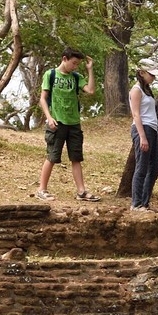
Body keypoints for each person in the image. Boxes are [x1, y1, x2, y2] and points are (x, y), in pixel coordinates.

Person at [35, 48, 98, 201]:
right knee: (52, 156)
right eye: (73, 63)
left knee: (76, 157)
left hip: (74, 123)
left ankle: (81, 191)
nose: (75, 66)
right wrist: (49, 118)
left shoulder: (76, 77)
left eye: (78, 64)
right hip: (57, 122)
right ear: (64, 59)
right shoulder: (51, 75)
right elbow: (43, 98)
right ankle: (41, 189)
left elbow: (90, 90)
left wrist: (90, 70)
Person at [128, 66, 158, 212]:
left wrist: (157, 133)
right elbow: (136, 114)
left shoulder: (147, 90)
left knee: (154, 168)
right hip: (143, 129)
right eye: (151, 74)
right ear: (142, 73)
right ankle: (136, 203)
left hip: (151, 129)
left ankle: (145, 203)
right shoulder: (136, 90)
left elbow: (149, 112)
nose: (153, 78)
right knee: (142, 167)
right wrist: (142, 136)